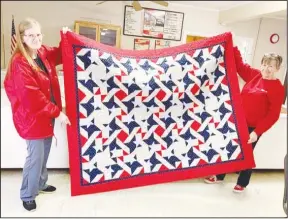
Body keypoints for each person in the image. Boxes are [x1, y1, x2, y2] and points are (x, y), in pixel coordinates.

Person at [4, 18, 71, 211]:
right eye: (31, 35)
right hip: (32, 119)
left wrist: (65, 38)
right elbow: (32, 97)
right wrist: (58, 113)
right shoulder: (20, 63)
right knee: (35, 158)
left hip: (46, 116)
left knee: (44, 155)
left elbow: (60, 55)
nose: (36, 38)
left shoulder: (41, 52)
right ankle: (27, 194)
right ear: (22, 38)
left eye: (38, 34)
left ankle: (40, 184)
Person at [204, 47, 285, 193]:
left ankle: (242, 183)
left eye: (271, 66)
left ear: (277, 68)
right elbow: (240, 66)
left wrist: (257, 132)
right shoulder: (254, 75)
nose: (267, 69)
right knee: (228, 148)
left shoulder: (277, 88)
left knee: (246, 153)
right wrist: (232, 45)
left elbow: (273, 115)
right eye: (264, 64)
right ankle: (219, 176)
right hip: (238, 122)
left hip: (254, 128)